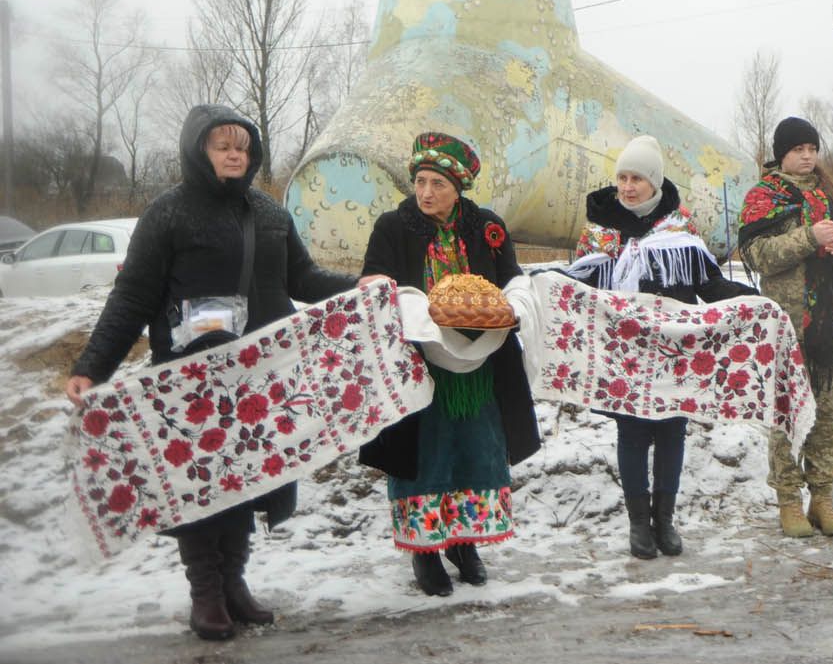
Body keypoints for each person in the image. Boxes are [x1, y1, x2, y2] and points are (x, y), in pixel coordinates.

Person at [65, 104, 360, 641]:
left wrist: (360, 287)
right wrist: (92, 367)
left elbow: (305, 278)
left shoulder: (270, 213)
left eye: (243, 147)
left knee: (247, 477)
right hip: (191, 381)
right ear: (199, 150)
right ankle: (206, 590)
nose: (233, 154)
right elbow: (132, 298)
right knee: (198, 482)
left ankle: (235, 584)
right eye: (222, 145)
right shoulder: (168, 214)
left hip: (255, 379)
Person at [357, 132, 540, 596]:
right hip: (419, 365)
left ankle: (464, 543)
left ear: (458, 187)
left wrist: (516, 301)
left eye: (437, 183)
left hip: (482, 364)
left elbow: (510, 280)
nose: (425, 192)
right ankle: (425, 550)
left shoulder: (486, 227)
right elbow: (376, 283)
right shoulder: (393, 227)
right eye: (420, 181)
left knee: (477, 450)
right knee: (426, 455)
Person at [568, 135, 757, 559]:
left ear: (655, 182)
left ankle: (665, 520)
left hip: (675, 353)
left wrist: (750, 301)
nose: (628, 186)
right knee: (632, 435)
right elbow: (578, 286)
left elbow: (707, 284)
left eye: (637, 178)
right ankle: (638, 524)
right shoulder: (600, 231)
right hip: (625, 354)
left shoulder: (680, 230)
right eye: (622, 177)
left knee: (672, 434)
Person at [738, 117, 833, 538]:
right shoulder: (763, 197)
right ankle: (789, 502)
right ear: (782, 153)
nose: (807, 156)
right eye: (798, 149)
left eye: (812, 149)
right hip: (788, 327)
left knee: (827, 416)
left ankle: (823, 499)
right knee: (786, 417)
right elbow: (757, 254)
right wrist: (809, 237)